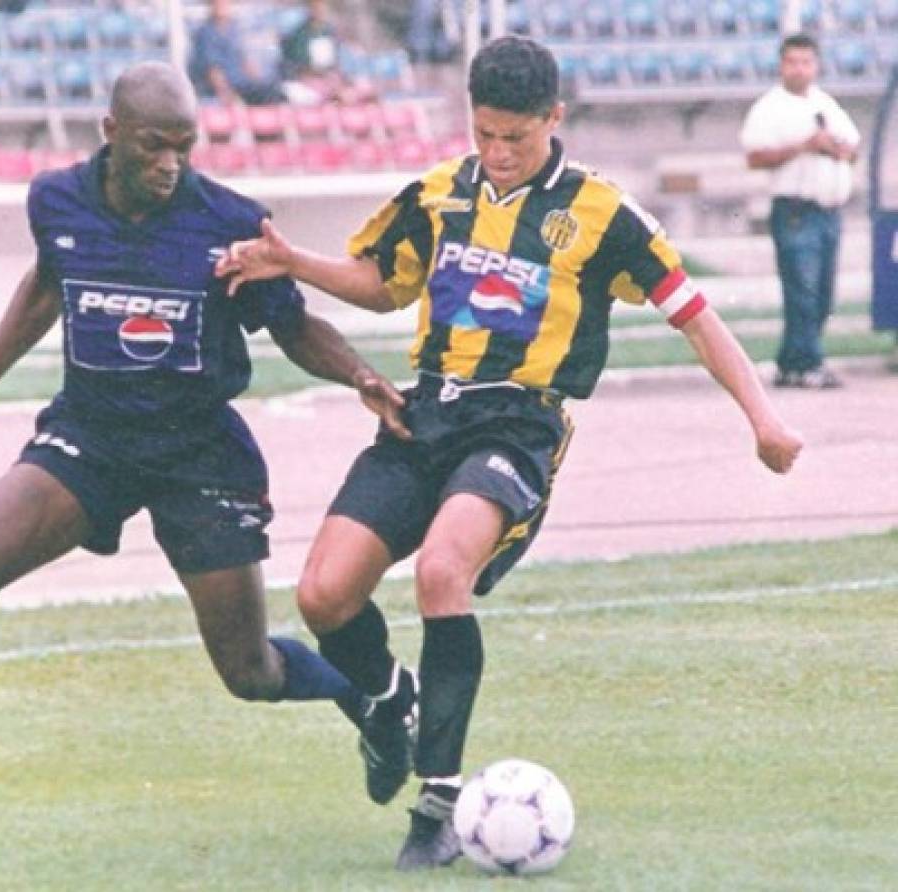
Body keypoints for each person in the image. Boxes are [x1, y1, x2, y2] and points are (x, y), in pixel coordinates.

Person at [217, 35, 804, 871]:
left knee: (439, 574)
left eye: (515, 139)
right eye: (484, 133)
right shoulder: (438, 193)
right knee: (322, 595)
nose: (496, 154)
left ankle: (440, 802)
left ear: (553, 120)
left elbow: (696, 317)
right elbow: (383, 283)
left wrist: (764, 420)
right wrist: (295, 263)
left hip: (518, 425)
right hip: (425, 414)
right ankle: (389, 702)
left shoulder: (603, 215)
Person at [0, 62, 412, 807]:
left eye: (184, 148)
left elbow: (292, 326)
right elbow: (48, 281)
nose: (169, 165)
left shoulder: (228, 222)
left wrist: (359, 374)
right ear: (111, 133)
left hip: (197, 453)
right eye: (152, 147)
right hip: (91, 438)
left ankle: (369, 700)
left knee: (250, 672)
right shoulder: (58, 200)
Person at [741, 34, 860, 389]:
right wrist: (805, 147)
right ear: (781, 65)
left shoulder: (825, 103)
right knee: (802, 290)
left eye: (806, 62)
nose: (799, 69)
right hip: (795, 208)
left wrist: (835, 149)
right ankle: (808, 361)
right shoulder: (770, 107)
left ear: (816, 64)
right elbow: (755, 156)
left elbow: (852, 145)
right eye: (792, 62)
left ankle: (792, 362)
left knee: (822, 294)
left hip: (828, 209)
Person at [188, 0, 286, 106]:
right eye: (218, 4)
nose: (222, 7)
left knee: (274, 93)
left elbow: (245, 60)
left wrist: (259, 80)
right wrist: (227, 94)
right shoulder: (205, 33)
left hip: (242, 85)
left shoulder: (234, 28)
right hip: (224, 88)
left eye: (225, 3)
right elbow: (213, 70)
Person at [279, 0, 372, 105]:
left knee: (360, 91)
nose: (320, 11)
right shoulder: (298, 35)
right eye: (316, 7)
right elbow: (296, 65)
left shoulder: (330, 32)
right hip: (308, 82)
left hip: (331, 80)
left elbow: (336, 62)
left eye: (323, 8)